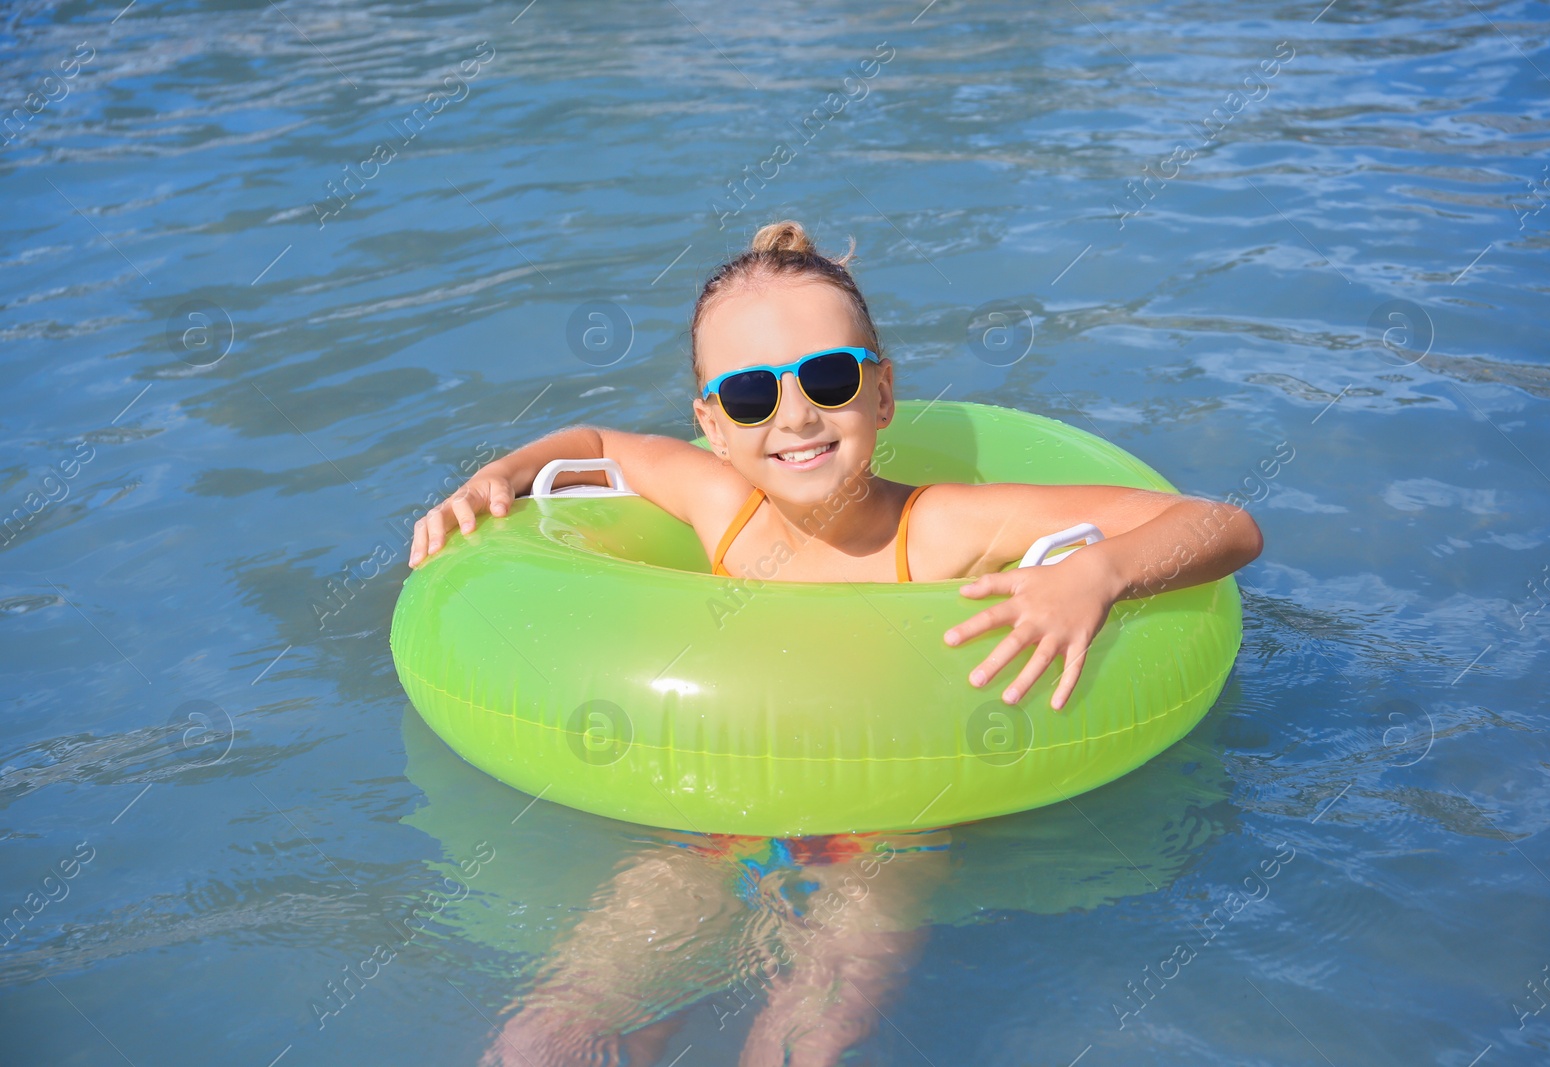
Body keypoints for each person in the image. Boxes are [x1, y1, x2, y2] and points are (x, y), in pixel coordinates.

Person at [411, 218, 1263, 1065]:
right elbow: (598, 445)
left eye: (827, 378)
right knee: (548, 1036)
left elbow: (1220, 526)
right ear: (712, 423)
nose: (796, 417)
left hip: (883, 839)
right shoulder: (722, 507)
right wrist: (499, 475)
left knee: (803, 1044)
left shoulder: (934, 529)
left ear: (883, 393)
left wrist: (1098, 573)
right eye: (752, 395)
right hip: (715, 824)